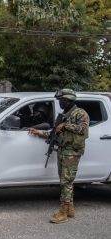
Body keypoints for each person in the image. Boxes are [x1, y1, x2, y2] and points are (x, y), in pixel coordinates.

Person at [28, 89, 89, 223]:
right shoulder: (63, 115)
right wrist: (38, 132)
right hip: (63, 151)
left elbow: (83, 129)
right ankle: (70, 209)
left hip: (72, 152)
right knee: (66, 181)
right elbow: (54, 132)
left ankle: (63, 213)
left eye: (61, 100)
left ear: (67, 100)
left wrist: (66, 125)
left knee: (66, 182)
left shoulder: (80, 113)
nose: (59, 103)